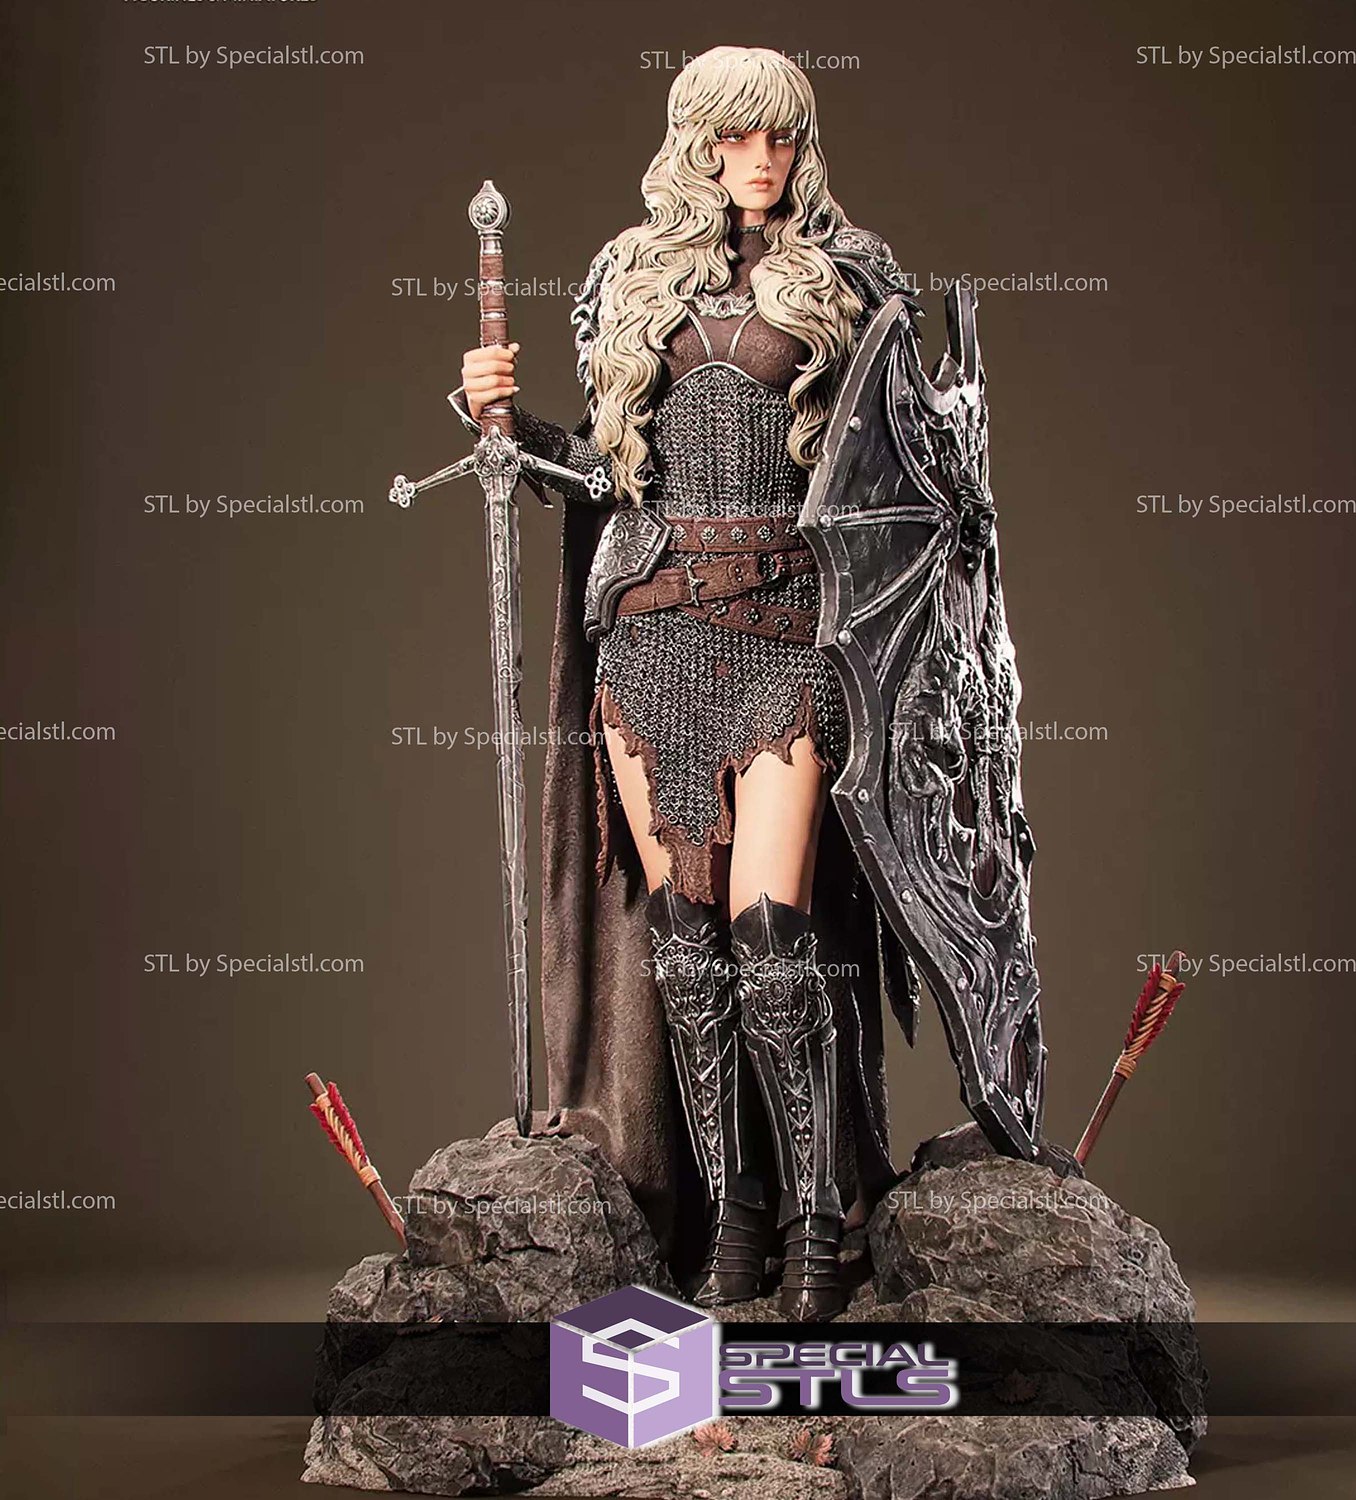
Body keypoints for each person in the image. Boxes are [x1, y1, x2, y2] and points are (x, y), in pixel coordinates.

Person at [450, 46, 916, 1321]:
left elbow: (910, 473)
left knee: (771, 939)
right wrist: (504, 426)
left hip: (785, 627)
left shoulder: (854, 278)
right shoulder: (628, 275)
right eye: (731, 138)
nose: (757, 160)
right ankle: (735, 1219)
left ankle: (818, 1213)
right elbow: (608, 478)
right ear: (692, 145)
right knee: (689, 951)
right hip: (650, 628)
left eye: (777, 136)